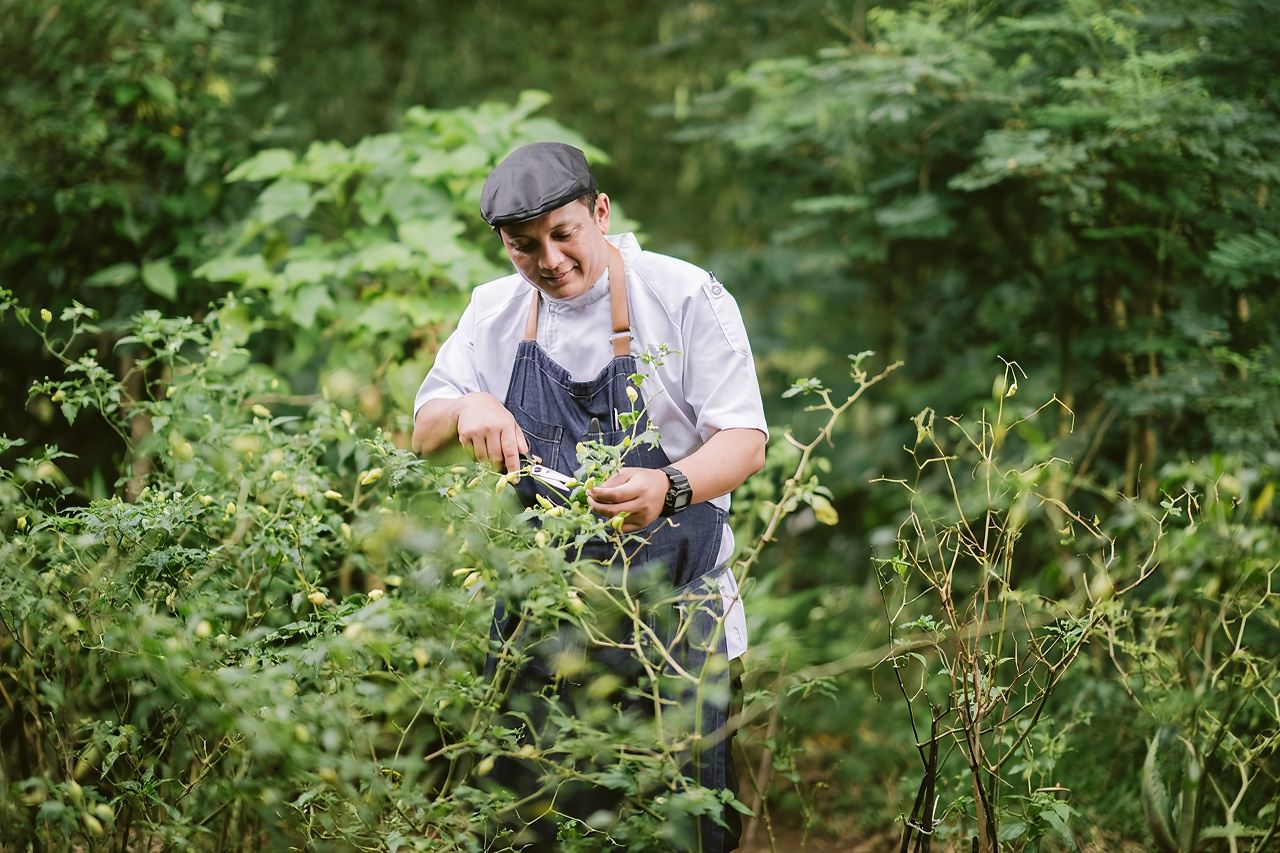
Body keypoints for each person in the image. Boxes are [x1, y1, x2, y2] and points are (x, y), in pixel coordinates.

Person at [412, 141, 767, 851]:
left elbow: (744, 439)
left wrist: (668, 485)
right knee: (533, 829)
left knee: (679, 831)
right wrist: (468, 405)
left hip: (674, 625)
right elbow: (423, 432)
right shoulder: (493, 311)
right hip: (540, 628)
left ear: (600, 213)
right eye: (524, 245)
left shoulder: (684, 295)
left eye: (563, 233)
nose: (549, 260)